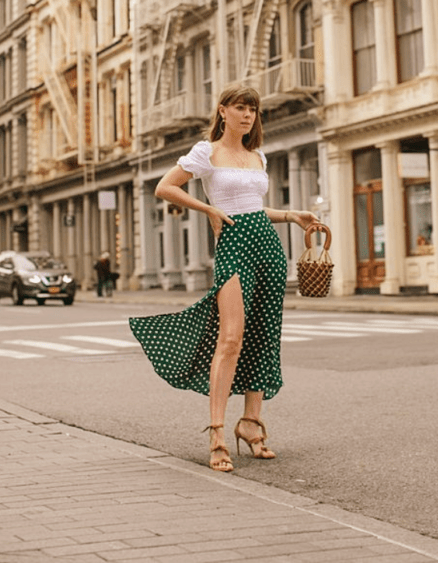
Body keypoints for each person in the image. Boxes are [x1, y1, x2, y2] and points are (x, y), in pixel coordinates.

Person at [129, 85, 318, 472]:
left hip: (267, 246)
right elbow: (165, 187)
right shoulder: (206, 151)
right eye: (240, 108)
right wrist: (209, 210)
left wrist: (292, 215)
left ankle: (250, 423)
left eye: (253, 109)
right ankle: (217, 431)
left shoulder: (257, 156)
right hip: (234, 246)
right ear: (223, 111)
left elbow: (254, 208)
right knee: (230, 338)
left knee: (265, 335)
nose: (248, 115)